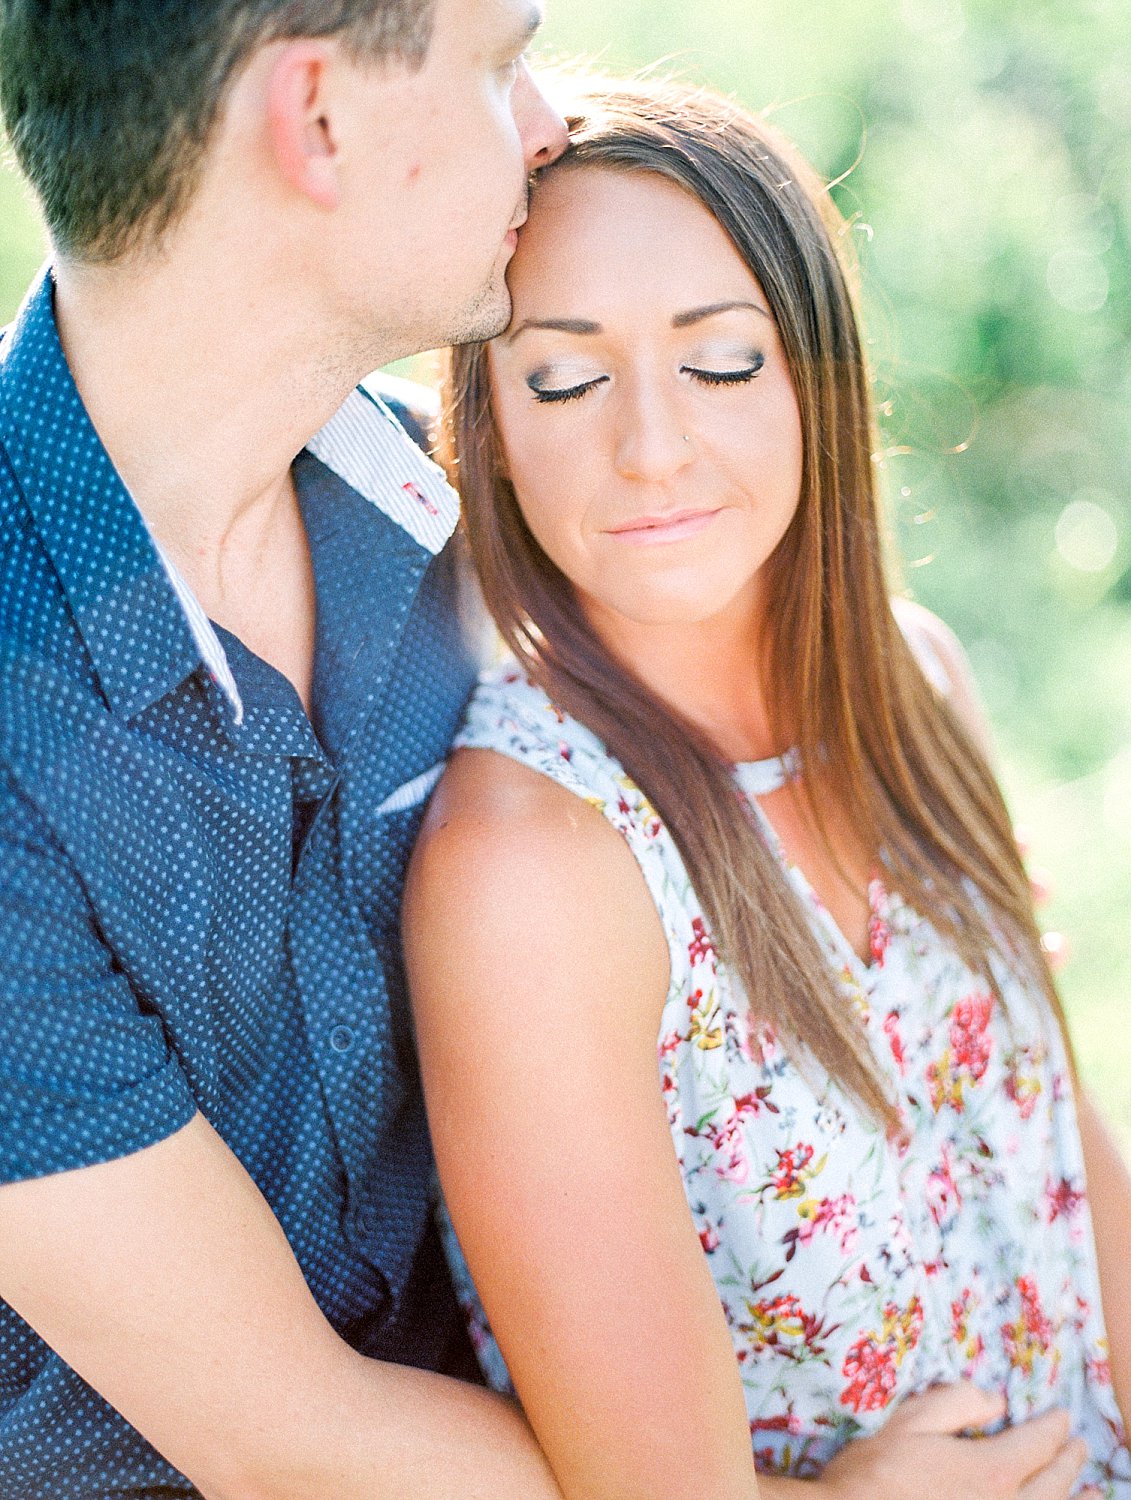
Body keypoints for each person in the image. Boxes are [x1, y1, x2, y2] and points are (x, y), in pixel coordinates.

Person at [403, 79, 1131, 1500]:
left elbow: (1073, 1159)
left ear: (816, 376)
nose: (651, 446)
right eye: (564, 377)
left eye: (721, 364)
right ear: (490, 422)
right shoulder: (533, 863)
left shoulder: (918, 684)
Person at [0, 0, 575, 1495]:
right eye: (501, 66)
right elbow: (289, 1444)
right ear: (317, 118)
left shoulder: (454, 497)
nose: (549, 125)